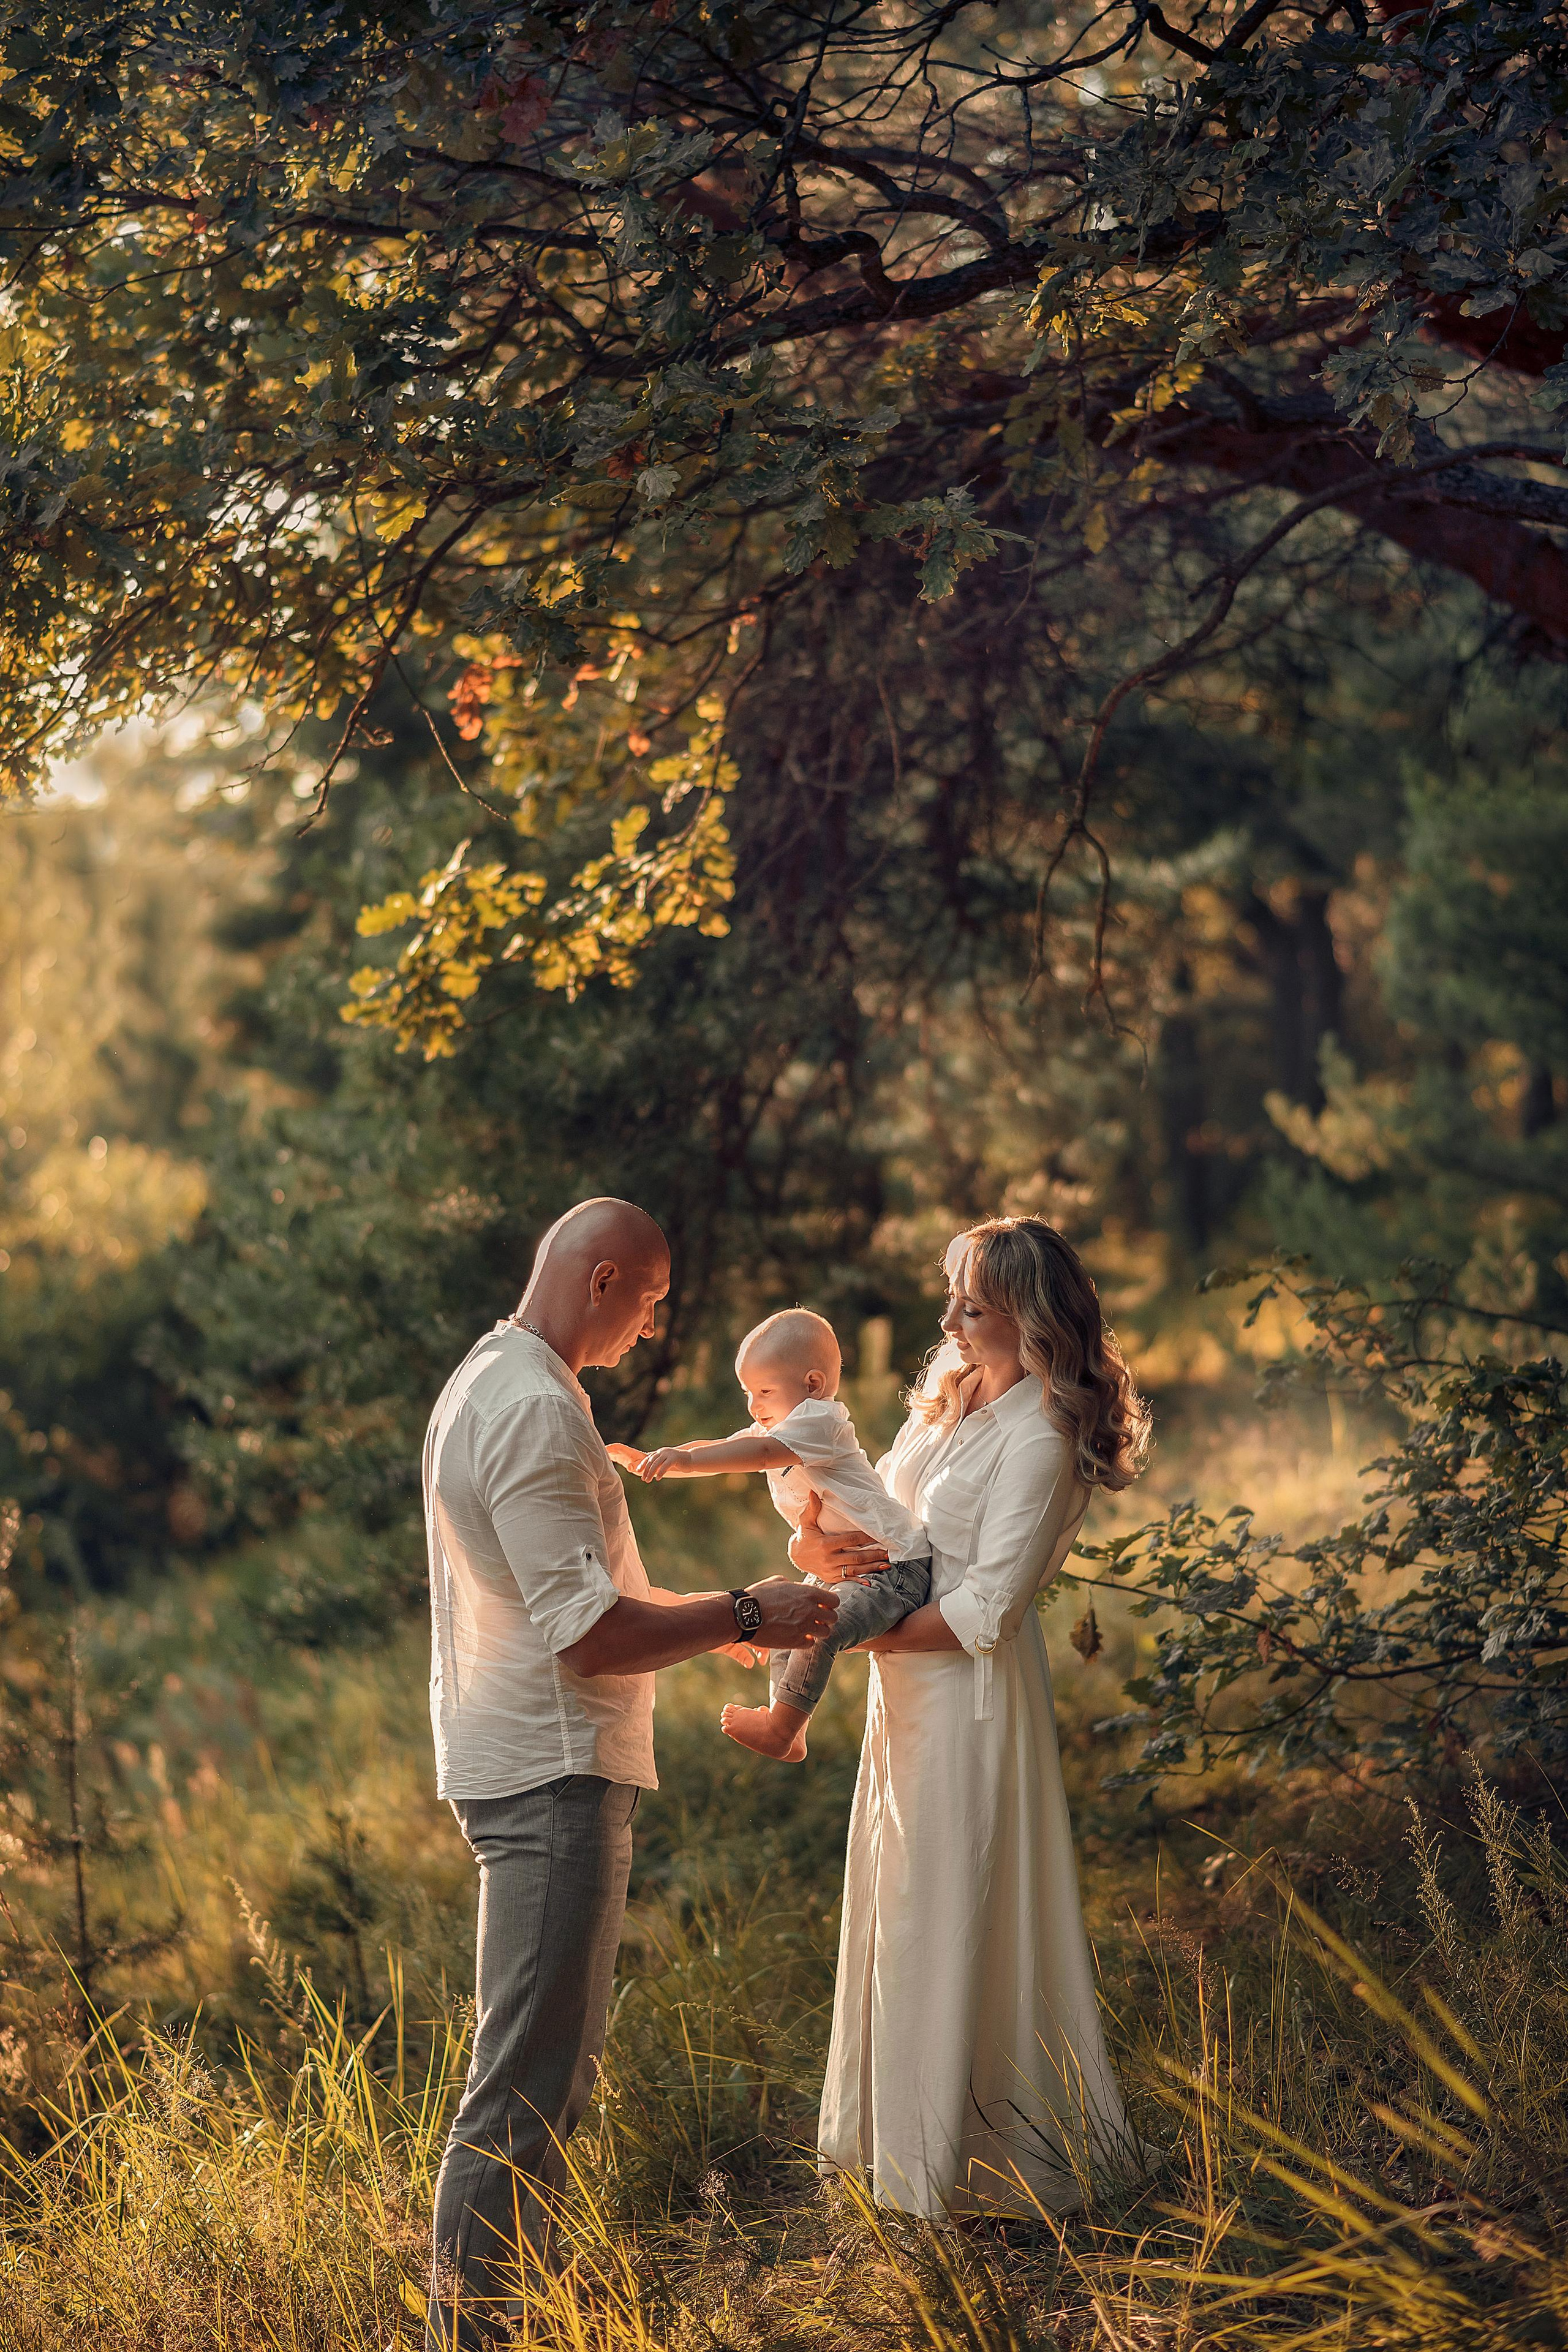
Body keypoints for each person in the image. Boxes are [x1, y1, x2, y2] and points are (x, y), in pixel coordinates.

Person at [423, 1198, 838, 2349]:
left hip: (528, 1759)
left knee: (540, 2085)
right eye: (651, 1301)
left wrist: (719, 1627)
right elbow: (587, 1637)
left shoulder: (489, 1377)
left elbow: (568, 1596)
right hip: (552, 1774)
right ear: (603, 1278)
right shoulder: (533, 1408)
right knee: (521, 2097)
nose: (652, 1328)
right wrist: (748, 1606)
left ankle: (509, 2325)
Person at [798, 1215, 1151, 2222]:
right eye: (952, 1293)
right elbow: (889, 1526)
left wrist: (845, 1634)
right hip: (903, 1693)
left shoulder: (1042, 1430)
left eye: (974, 1305)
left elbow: (987, 1608)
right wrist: (822, 1560)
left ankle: (963, 2169)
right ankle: (894, 2151)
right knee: (897, 1905)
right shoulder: (951, 1398)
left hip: (970, 1701)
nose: (950, 1317)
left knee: (948, 1914)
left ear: (1030, 1319)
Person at [609, 1308, 930, 1761]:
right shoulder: (779, 1426)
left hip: (894, 1568)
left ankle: (781, 1728)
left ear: (813, 1385)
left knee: (819, 1629)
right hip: (852, 1568)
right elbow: (723, 1446)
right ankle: (790, 1728)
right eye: (747, 1392)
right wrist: (661, 1458)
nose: (754, 1406)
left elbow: (757, 1453)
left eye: (765, 1391)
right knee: (789, 1625)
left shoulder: (820, 1423)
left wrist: (683, 1462)